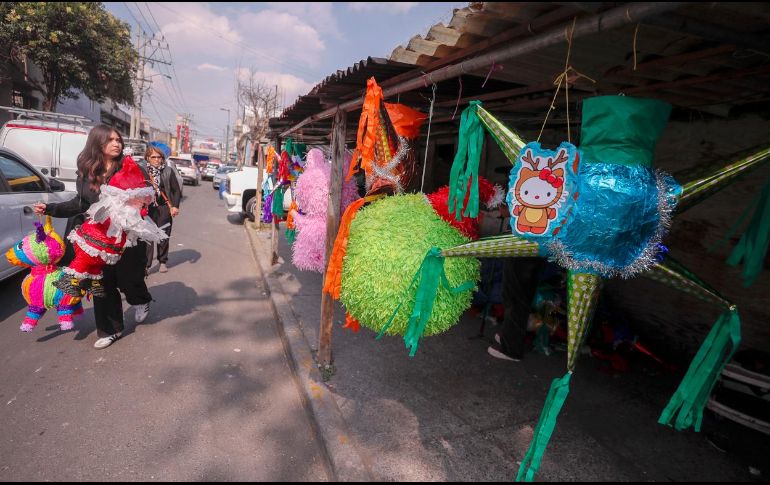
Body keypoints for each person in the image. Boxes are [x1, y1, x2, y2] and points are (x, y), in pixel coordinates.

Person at [33, 125, 153, 349]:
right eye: (110, 140)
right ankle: (111, 329)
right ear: (97, 143)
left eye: (118, 139)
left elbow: (147, 199)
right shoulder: (87, 172)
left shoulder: (130, 167)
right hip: (98, 238)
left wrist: (135, 211)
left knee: (129, 279)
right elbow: (80, 204)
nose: (117, 143)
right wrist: (50, 208)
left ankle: (140, 300)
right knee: (101, 284)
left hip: (127, 237)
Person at [487, 257, 545, 361]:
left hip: (523, 254)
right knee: (519, 295)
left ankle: (511, 349)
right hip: (530, 254)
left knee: (515, 297)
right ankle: (510, 338)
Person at [143, 147, 181, 274]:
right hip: (147, 209)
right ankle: (146, 265)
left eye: (159, 157)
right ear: (148, 158)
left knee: (163, 236)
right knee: (147, 237)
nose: (156, 160)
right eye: (153, 157)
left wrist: (175, 206)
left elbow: (176, 190)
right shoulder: (143, 171)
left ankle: (163, 261)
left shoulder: (168, 171)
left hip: (164, 208)